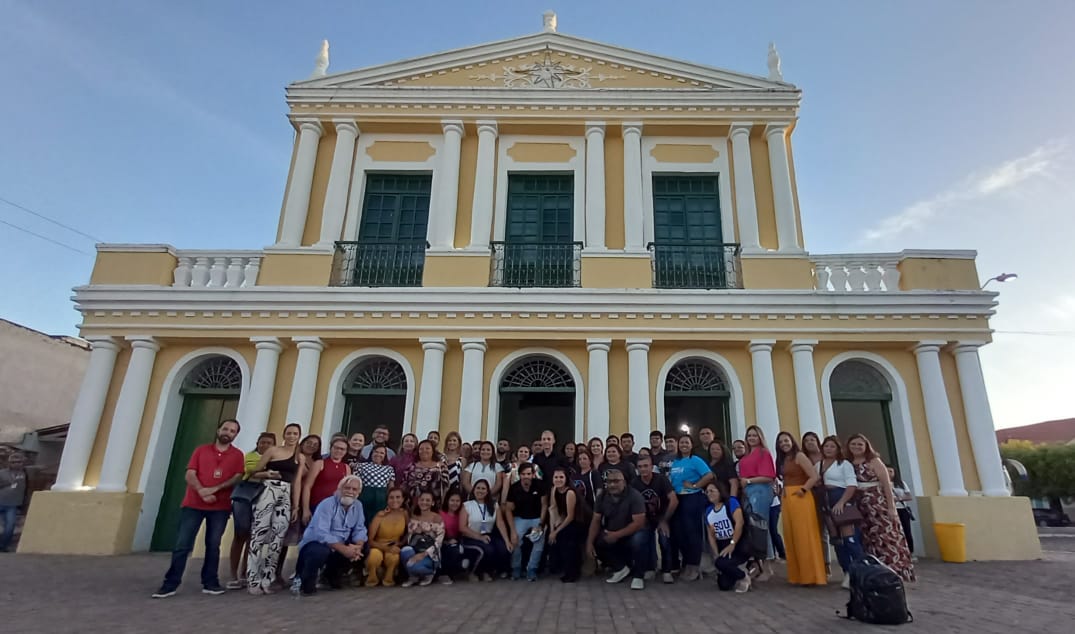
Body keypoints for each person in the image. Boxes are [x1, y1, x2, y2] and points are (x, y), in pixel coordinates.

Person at [152, 419, 245, 598]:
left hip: (220, 506)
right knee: (182, 545)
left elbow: (237, 477)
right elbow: (190, 473)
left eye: (232, 431)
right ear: (218, 430)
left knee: (213, 545)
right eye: (225, 428)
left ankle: (210, 582)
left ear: (236, 435)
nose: (228, 432)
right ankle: (170, 584)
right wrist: (202, 490)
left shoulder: (237, 455)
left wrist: (215, 489)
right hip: (193, 504)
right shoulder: (201, 451)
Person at [246, 422, 305, 594]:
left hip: (285, 494)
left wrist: (296, 505)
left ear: (299, 436)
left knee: (278, 537)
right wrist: (267, 474)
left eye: (295, 433)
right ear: (284, 434)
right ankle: (253, 579)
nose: (292, 436)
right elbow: (253, 472)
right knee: (259, 532)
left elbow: (297, 482)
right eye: (289, 433)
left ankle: (267, 578)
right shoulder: (273, 451)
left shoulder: (299, 457)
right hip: (268, 490)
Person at [848, 434, 915, 582]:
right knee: (868, 538)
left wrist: (891, 507)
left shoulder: (873, 461)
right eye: (853, 444)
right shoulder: (849, 463)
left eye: (860, 444)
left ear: (866, 446)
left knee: (885, 536)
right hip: (861, 505)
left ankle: (893, 571)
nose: (857, 447)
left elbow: (886, 483)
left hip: (877, 502)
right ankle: (874, 572)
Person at [293, 475, 366, 595]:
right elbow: (322, 534)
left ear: (359, 492)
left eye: (354, 489)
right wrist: (344, 549)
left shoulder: (358, 506)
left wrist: (358, 546)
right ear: (340, 489)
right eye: (347, 488)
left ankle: (330, 576)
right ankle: (302, 579)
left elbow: (360, 529)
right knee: (320, 551)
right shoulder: (326, 504)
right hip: (316, 544)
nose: (350, 492)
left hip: (338, 545)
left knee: (365, 548)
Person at [774, 431, 826, 586]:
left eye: (786, 440)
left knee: (804, 536)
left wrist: (803, 490)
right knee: (792, 536)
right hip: (787, 497)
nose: (784, 444)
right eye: (781, 442)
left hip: (801, 497)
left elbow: (814, 476)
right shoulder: (783, 460)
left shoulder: (800, 456)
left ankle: (811, 576)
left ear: (792, 441)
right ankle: (798, 575)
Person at [226, 431, 275, 588]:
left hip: (264, 496)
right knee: (241, 532)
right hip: (245, 496)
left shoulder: (275, 458)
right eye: (263, 442)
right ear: (257, 443)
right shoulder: (249, 456)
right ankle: (233, 573)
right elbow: (251, 472)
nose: (265, 445)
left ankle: (246, 572)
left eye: (269, 443)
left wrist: (264, 473)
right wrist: (267, 473)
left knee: (254, 536)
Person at [586, 469, 647, 590]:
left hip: (632, 532)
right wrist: (589, 543)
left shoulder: (634, 496)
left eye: (616, 481)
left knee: (639, 540)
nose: (612, 485)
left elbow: (639, 523)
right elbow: (596, 520)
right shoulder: (602, 496)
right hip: (612, 531)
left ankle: (638, 576)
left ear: (624, 482)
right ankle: (620, 568)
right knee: (598, 541)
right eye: (609, 482)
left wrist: (617, 535)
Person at [818, 436, 865, 588]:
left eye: (832, 446)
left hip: (841, 499)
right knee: (837, 541)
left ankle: (861, 571)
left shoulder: (844, 464)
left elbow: (851, 485)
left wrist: (842, 502)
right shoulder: (819, 465)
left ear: (838, 449)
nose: (828, 449)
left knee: (849, 539)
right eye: (826, 446)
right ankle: (847, 571)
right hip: (826, 502)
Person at [668, 435, 713, 581]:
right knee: (679, 533)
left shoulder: (695, 460)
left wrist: (695, 485)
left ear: (692, 445)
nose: (684, 445)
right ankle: (687, 563)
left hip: (692, 498)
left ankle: (694, 565)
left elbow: (709, 475)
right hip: (678, 498)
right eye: (681, 442)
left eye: (687, 442)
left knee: (692, 532)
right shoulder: (676, 461)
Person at [632, 454, 678, 584]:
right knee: (639, 540)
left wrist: (664, 520)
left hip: (662, 516)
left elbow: (674, 500)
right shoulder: (634, 483)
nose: (643, 469)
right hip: (644, 518)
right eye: (640, 467)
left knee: (664, 539)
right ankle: (647, 568)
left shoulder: (661, 479)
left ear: (652, 467)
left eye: (646, 466)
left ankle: (667, 570)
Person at [738, 425, 776, 581]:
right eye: (749, 436)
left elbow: (769, 476)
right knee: (752, 529)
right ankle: (759, 565)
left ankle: (768, 567)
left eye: (754, 435)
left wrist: (748, 480)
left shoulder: (763, 453)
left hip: (760, 491)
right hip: (747, 492)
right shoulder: (747, 455)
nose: (752, 438)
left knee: (761, 527)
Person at [459, 479, 511, 581]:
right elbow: (462, 527)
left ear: (487, 491)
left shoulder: (494, 505)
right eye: (478, 488)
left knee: (503, 548)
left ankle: (487, 571)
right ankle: (473, 572)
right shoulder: (467, 505)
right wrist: (479, 537)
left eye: (483, 489)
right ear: (474, 490)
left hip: (488, 535)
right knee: (487, 550)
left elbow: (500, 523)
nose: (480, 491)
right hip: (471, 536)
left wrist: (507, 540)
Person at [704, 481, 750, 593]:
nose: (709, 493)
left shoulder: (731, 503)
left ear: (720, 491)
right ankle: (739, 569)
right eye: (707, 492)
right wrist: (715, 553)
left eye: (712, 491)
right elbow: (711, 535)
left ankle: (744, 576)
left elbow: (740, 523)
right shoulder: (708, 511)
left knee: (721, 563)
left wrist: (732, 544)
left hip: (738, 543)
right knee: (723, 585)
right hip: (723, 544)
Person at [505, 462, 548, 581]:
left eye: (529, 473)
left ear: (533, 474)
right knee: (515, 540)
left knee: (539, 540)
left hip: (537, 518)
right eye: (523, 474)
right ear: (519, 475)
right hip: (520, 518)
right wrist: (512, 531)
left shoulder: (540, 485)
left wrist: (541, 525)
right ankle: (516, 568)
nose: (526, 476)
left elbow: (545, 505)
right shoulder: (514, 488)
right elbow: (508, 510)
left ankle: (532, 569)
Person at [302, 437, 352, 524]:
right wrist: (306, 509)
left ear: (346, 451)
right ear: (331, 448)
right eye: (336, 448)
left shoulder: (346, 468)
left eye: (342, 449)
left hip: (336, 509)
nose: (338, 451)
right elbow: (307, 486)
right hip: (317, 506)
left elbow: (346, 490)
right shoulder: (320, 463)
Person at [401, 491, 445, 587]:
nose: (424, 502)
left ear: (432, 503)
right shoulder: (414, 516)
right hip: (415, 549)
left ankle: (430, 573)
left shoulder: (437, 518)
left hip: (430, 554)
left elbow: (438, 543)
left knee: (411, 565)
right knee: (405, 551)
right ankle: (413, 577)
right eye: (422, 500)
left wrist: (423, 554)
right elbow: (409, 536)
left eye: (428, 500)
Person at [548, 467, 585, 582]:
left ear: (566, 479)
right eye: (556, 477)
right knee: (554, 539)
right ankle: (560, 567)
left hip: (577, 522)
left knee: (567, 541)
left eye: (561, 477)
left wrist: (556, 531)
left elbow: (571, 516)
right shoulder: (554, 490)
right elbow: (553, 509)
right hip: (564, 519)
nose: (558, 480)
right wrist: (552, 530)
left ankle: (573, 573)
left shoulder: (570, 492)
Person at [365, 487, 408, 587]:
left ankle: (389, 578)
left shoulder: (405, 514)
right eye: (391, 498)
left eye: (398, 497)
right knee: (374, 556)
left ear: (403, 499)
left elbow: (409, 532)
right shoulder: (380, 515)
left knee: (394, 557)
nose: (395, 500)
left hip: (394, 545)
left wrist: (401, 543)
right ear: (387, 500)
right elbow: (370, 540)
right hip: (378, 545)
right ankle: (372, 578)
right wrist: (387, 548)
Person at [356, 445, 395, 525]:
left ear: (385, 456)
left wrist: (391, 502)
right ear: (371, 453)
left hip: (381, 499)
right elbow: (356, 483)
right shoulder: (361, 466)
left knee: (378, 522)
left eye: (382, 453)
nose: (378, 454)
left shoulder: (389, 469)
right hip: (365, 496)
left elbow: (391, 487)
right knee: (362, 521)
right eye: (376, 452)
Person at [403, 440, 447, 509]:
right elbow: (404, 485)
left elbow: (446, 487)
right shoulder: (410, 467)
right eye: (421, 449)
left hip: (434, 506)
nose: (424, 451)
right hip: (413, 505)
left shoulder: (441, 467)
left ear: (433, 451)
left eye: (427, 448)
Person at [0, 452, 29, 553]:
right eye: (13, 462)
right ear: (9, 463)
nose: (16, 464)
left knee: (10, 527)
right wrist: (7, 484)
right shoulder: (2, 473)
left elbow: (26, 490)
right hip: (1, 501)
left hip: (12, 505)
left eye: (19, 462)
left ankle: (3, 547)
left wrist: (24, 504)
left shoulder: (25, 473)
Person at [438, 491, 466, 583]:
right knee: (452, 549)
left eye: (457, 501)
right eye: (452, 500)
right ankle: (444, 574)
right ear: (447, 501)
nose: (455, 503)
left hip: (458, 540)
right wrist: (446, 540)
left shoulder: (461, 514)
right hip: (442, 541)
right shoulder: (440, 513)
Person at [890, 466, 916, 555]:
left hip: (902, 509)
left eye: (891, 471)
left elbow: (909, 496)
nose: (889, 474)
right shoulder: (883, 484)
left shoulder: (901, 483)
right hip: (891, 509)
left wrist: (898, 498)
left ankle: (910, 552)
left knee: (906, 531)